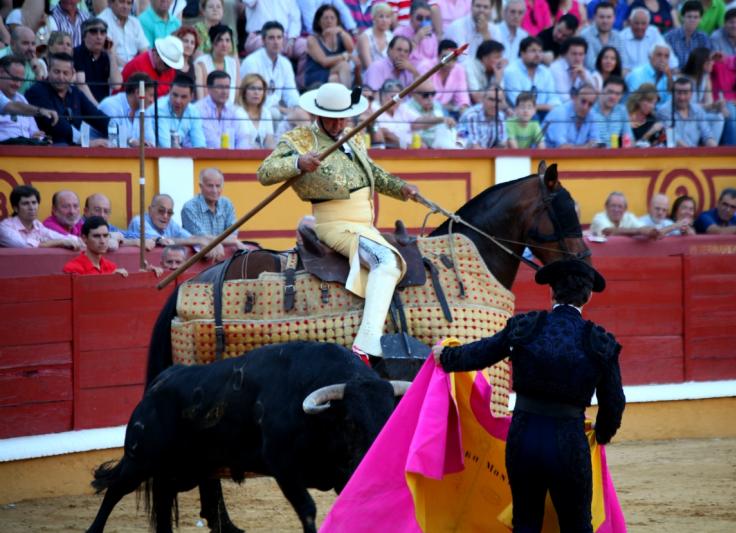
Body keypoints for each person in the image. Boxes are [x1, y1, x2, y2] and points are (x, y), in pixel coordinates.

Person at [432, 258, 625, 533]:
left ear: (551, 292)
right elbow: (614, 403)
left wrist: (447, 356)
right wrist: (602, 433)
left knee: (525, 520)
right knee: (576, 523)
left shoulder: (526, 326)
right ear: (588, 296)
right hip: (568, 441)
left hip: (524, 437)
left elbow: (481, 353)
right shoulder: (600, 341)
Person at [256, 82, 420, 359]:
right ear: (318, 114)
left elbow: (375, 175)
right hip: (335, 225)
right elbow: (265, 172)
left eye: (343, 117)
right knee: (387, 262)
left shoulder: (353, 138)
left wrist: (401, 188)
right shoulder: (300, 139)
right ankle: (367, 343)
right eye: (332, 118)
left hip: (365, 225)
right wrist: (299, 163)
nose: (338, 123)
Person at [128, 193, 225, 260]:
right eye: (161, 211)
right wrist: (199, 241)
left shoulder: (171, 223)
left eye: (170, 213)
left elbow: (189, 237)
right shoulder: (139, 221)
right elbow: (162, 240)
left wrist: (213, 241)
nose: (165, 216)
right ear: (150, 210)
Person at [240, 21, 301, 112]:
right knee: (274, 113)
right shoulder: (251, 62)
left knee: (301, 115)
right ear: (263, 40)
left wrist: (297, 107)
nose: (276, 42)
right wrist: (283, 110)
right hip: (255, 110)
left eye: (279, 38)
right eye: (271, 38)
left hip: (280, 110)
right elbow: (252, 96)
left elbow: (290, 92)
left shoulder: (285, 63)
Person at [181, 167, 245, 249]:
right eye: (210, 186)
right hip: (199, 259)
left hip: (226, 257)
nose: (214, 190)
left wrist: (232, 240)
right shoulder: (190, 208)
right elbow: (202, 238)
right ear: (201, 186)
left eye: (218, 186)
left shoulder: (227, 204)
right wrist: (232, 241)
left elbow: (232, 235)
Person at [0, 184, 81, 249]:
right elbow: (24, 247)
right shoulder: (5, 227)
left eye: (34, 203)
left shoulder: (37, 225)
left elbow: (64, 238)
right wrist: (59, 242)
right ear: (15, 208)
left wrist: (76, 240)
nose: (31, 208)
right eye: (25, 203)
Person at [144, 73, 206, 148]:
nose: (178, 101)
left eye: (183, 97)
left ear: (191, 97)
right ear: (169, 91)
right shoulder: (160, 108)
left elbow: (200, 145)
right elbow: (165, 147)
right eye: (175, 95)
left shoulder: (193, 111)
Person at [304, 4, 358, 89]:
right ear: (318, 21)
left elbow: (351, 49)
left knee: (335, 78)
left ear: (337, 21)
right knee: (343, 66)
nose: (329, 21)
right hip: (317, 75)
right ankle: (347, 98)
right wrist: (344, 56)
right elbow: (324, 62)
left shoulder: (340, 36)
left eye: (332, 18)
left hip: (334, 73)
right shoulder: (312, 39)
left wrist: (342, 31)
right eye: (325, 18)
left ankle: (344, 98)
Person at [72, 18, 122, 106]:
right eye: (94, 32)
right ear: (84, 36)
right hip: (82, 108)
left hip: (101, 107)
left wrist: (111, 54)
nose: (99, 36)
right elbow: (81, 84)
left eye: (102, 32)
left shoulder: (106, 56)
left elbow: (117, 84)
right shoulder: (77, 53)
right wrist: (98, 108)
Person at [0, 55, 49, 144]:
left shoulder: (21, 98)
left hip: (26, 151)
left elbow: (34, 132)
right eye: (15, 79)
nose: (18, 84)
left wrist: (37, 136)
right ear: (1, 72)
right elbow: (10, 106)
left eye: (21, 80)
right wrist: (40, 111)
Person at [98, 72, 156, 148]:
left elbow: (151, 143)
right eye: (151, 95)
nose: (152, 100)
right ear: (138, 92)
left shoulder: (145, 110)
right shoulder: (111, 105)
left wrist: (145, 145)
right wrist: (134, 142)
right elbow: (114, 140)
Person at [503, 36, 558, 114]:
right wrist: (545, 106)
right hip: (521, 115)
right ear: (522, 53)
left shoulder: (545, 71)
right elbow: (517, 101)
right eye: (533, 51)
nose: (538, 55)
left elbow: (553, 98)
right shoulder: (511, 71)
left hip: (545, 112)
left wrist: (551, 107)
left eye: (540, 51)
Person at [656, 77, 718, 147]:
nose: (682, 97)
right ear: (673, 93)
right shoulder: (664, 111)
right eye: (679, 93)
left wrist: (715, 149)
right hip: (674, 155)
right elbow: (675, 139)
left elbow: (707, 135)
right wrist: (692, 155)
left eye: (685, 93)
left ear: (691, 94)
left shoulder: (698, 110)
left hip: (693, 154)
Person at [82, 192, 156, 250]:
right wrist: (134, 242)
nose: (102, 215)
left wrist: (158, 239)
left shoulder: (108, 226)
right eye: (97, 210)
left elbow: (129, 235)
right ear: (86, 211)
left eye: (106, 211)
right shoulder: (77, 226)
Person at [196, 70, 249, 149]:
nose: (224, 92)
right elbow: (211, 141)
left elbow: (243, 139)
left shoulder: (234, 111)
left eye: (227, 87)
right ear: (209, 88)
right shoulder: (198, 109)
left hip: (232, 159)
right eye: (220, 87)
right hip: (205, 158)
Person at [63, 216, 129, 276]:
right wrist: (109, 280)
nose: (102, 241)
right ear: (84, 238)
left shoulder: (111, 267)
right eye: (96, 236)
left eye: (105, 236)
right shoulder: (72, 268)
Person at [402, 80, 458, 148]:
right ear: (414, 94)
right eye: (425, 95)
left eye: (433, 94)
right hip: (419, 146)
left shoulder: (437, 105)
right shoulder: (406, 108)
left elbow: (447, 128)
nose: (430, 98)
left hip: (439, 144)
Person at [619, 8, 679, 72]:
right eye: (636, 23)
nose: (640, 27)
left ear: (648, 24)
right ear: (630, 23)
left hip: (652, 77)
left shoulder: (653, 32)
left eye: (643, 23)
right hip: (629, 76)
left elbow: (672, 62)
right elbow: (623, 67)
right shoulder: (622, 37)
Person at [542, 84, 601, 148]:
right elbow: (563, 148)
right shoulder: (560, 113)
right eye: (583, 101)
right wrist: (586, 147)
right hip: (541, 156)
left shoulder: (591, 115)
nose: (585, 107)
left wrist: (594, 144)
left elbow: (596, 142)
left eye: (590, 104)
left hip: (572, 157)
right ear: (575, 98)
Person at [194, 24, 239, 104]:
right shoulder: (201, 62)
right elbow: (201, 97)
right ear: (212, 42)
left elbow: (237, 93)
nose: (224, 44)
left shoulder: (232, 62)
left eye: (227, 40)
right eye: (220, 40)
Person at [98, 0, 150, 69]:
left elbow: (144, 51)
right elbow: (109, 53)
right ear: (111, 3)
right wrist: (129, 67)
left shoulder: (135, 22)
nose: (125, 6)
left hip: (134, 68)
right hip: (112, 68)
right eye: (121, 2)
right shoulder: (102, 21)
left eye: (129, 3)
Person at [664, 1, 711, 70]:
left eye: (696, 17)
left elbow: (706, 62)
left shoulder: (704, 38)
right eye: (689, 16)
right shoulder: (669, 37)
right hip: (675, 76)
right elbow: (665, 62)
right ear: (682, 17)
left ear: (700, 19)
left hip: (696, 76)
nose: (692, 20)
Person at [590, 191, 660, 237]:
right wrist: (638, 231)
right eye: (613, 206)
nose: (616, 209)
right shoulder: (599, 218)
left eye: (620, 206)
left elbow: (642, 228)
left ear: (625, 209)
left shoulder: (629, 217)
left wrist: (651, 231)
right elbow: (608, 231)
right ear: (606, 207)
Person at [431, 39, 471, 118]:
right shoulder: (426, 67)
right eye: (446, 58)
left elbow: (463, 99)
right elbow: (425, 100)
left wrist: (465, 114)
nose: (450, 62)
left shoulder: (459, 69)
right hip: (427, 113)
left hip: (448, 112)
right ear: (438, 56)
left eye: (453, 58)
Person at [235, 73, 276, 149]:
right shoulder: (238, 113)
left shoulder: (266, 113)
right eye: (252, 88)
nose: (256, 92)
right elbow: (243, 143)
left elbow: (269, 141)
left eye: (260, 89)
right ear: (244, 92)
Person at [580, 1, 624, 70]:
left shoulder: (618, 37)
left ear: (614, 18)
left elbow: (620, 62)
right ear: (595, 17)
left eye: (608, 17)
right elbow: (589, 64)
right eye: (601, 17)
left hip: (612, 77)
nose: (605, 21)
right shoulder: (585, 36)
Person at [0, 25, 44, 93]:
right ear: (13, 44)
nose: (31, 48)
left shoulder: (33, 63)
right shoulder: (1, 58)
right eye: (25, 43)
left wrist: (38, 72)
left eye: (33, 44)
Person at [550, 37, 592, 104]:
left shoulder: (584, 72)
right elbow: (563, 98)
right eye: (574, 54)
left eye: (581, 54)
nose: (578, 58)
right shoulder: (556, 68)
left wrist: (584, 79)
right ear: (565, 54)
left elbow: (593, 97)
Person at [594, 76, 633, 147]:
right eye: (610, 92)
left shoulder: (622, 110)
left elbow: (629, 138)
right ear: (602, 90)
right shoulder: (590, 109)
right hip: (592, 156)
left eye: (617, 94)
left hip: (615, 156)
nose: (613, 96)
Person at [464, 39, 505, 104]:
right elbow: (477, 98)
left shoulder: (498, 69)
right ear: (484, 58)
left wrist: (498, 79)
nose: (500, 61)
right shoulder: (469, 67)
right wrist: (497, 81)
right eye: (497, 57)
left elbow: (501, 99)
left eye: (501, 57)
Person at [357, 2, 395, 70]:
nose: (384, 20)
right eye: (381, 16)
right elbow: (369, 66)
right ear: (374, 18)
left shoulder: (391, 37)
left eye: (387, 17)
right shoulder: (365, 37)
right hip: (368, 74)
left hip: (386, 75)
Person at [494, 0, 530, 66]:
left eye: (520, 13)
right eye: (513, 12)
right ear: (504, 13)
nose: (516, 16)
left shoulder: (524, 36)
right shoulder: (494, 31)